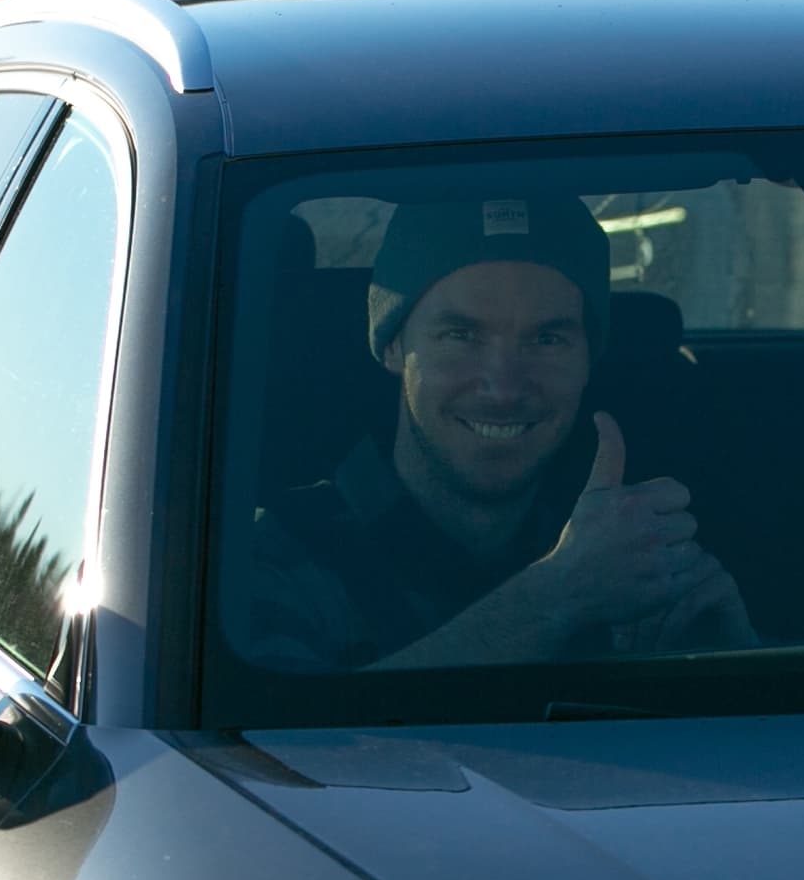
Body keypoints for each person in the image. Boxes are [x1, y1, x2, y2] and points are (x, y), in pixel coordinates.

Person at [228, 193, 752, 668]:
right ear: (392, 345)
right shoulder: (267, 563)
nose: (503, 388)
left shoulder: (631, 560)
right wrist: (556, 599)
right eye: (461, 335)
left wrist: (726, 665)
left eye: (547, 339)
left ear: (590, 359)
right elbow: (285, 761)